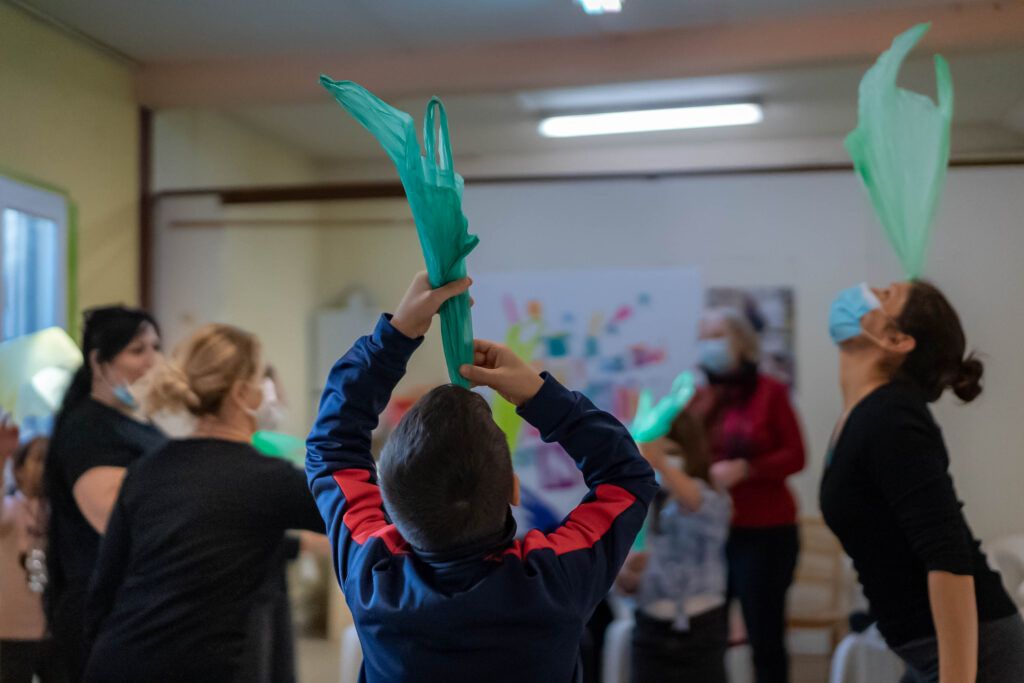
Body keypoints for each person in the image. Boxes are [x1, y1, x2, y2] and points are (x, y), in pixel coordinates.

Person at [306, 272, 657, 682]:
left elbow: (331, 449)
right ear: (513, 489)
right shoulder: (553, 580)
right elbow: (628, 476)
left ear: (387, 497)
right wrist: (541, 397)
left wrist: (395, 336)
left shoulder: (374, 573)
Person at [81, 323, 325, 683]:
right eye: (261, 376)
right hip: (199, 665)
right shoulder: (270, 478)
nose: (269, 388)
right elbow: (373, 515)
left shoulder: (146, 470)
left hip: (117, 659)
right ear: (242, 392)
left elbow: (105, 585)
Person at [820, 281, 1024, 682]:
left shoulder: (893, 416)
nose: (868, 289)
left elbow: (947, 556)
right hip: (929, 652)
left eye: (885, 293)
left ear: (897, 340)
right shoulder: (866, 415)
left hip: (977, 657)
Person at [45, 306, 166, 679]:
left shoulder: (140, 423)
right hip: (102, 604)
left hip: (137, 598)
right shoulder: (88, 429)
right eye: (137, 350)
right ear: (98, 361)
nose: (153, 361)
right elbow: (113, 519)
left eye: (156, 348)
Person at [686, 308, 805, 683]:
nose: (710, 343)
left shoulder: (771, 391)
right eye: (703, 335)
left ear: (742, 341)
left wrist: (748, 469)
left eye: (717, 334)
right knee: (708, 633)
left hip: (766, 532)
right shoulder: (701, 396)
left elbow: (797, 455)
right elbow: (689, 455)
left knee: (764, 635)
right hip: (713, 531)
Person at [618, 412, 731, 683]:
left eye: (671, 452)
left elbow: (702, 505)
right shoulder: (642, 501)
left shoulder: (709, 493)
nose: (660, 461)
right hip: (650, 630)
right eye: (656, 454)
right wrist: (628, 577)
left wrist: (661, 464)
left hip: (702, 629)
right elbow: (623, 581)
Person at [1, 435, 64, 683]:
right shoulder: (10, 508)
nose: (46, 467)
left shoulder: (60, 513)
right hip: (12, 630)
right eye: (38, 459)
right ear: (18, 471)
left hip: (54, 631)